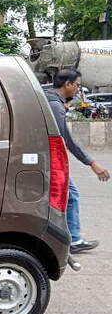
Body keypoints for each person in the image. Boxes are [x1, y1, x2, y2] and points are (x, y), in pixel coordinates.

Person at [45, 69, 110, 253]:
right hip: (48, 161)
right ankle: (71, 239)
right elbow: (66, 139)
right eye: (77, 85)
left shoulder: (51, 101)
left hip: (44, 159)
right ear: (67, 84)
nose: (78, 89)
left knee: (67, 194)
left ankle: (68, 237)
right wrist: (92, 163)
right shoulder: (55, 106)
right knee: (69, 194)